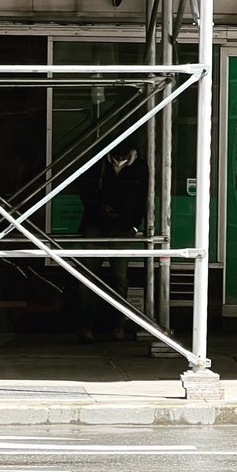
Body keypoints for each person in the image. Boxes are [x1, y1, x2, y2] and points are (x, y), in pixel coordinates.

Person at [76, 144, 150, 341]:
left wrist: (133, 224)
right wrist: (101, 208)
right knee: (88, 277)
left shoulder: (140, 167)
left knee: (119, 277)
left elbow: (143, 198)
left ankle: (116, 325)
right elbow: (85, 191)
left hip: (121, 226)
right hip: (97, 223)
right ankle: (88, 325)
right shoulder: (99, 163)